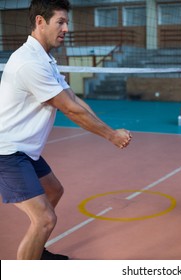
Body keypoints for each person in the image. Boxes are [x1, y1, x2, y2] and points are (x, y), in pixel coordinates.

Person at [0, 0, 132, 260]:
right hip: (7, 151)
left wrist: (110, 130)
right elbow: (69, 110)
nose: (66, 28)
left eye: (66, 22)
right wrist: (111, 136)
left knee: (54, 191)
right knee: (46, 219)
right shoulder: (29, 62)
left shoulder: (45, 58)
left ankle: (36, 251)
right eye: (60, 22)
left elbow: (73, 99)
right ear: (40, 21)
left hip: (24, 149)